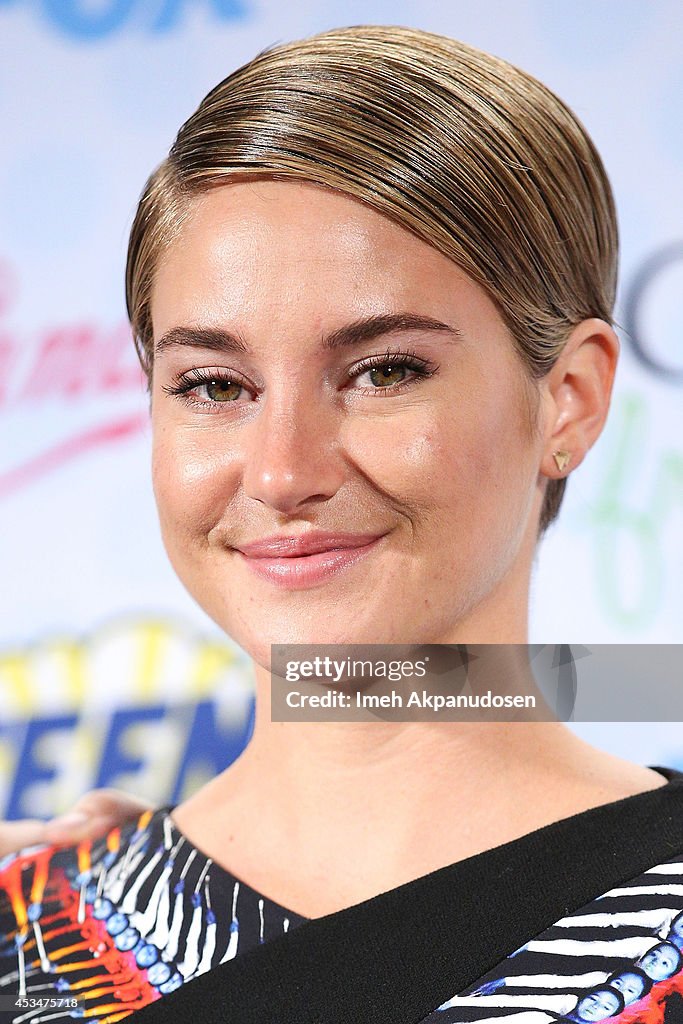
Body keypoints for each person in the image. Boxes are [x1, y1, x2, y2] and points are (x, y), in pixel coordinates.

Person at [1, 23, 682, 1024]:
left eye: (383, 371)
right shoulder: (29, 939)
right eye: (212, 384)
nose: (282, 471)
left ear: (568, 401)